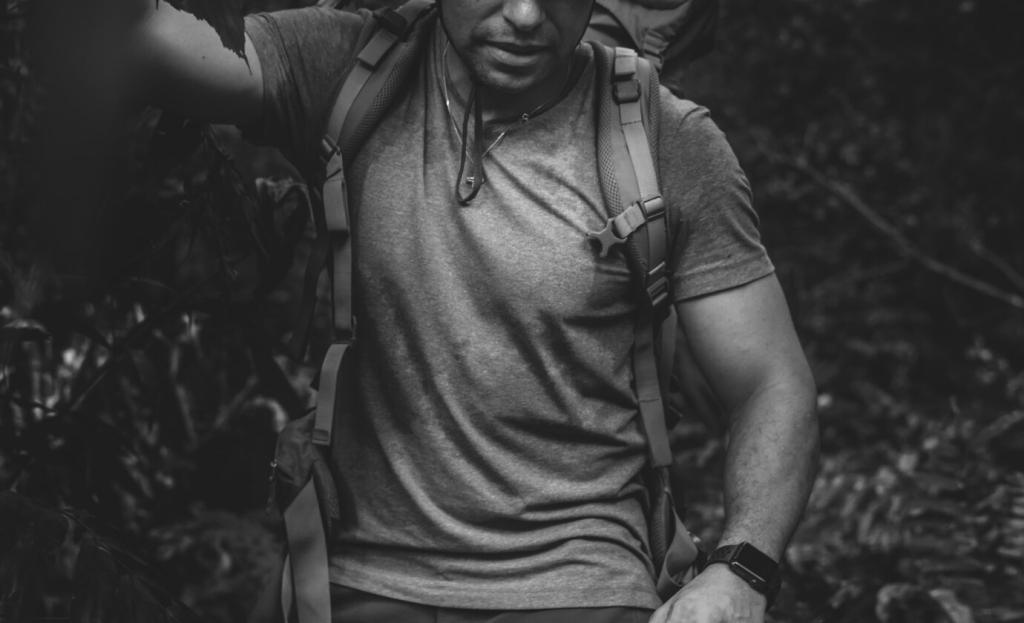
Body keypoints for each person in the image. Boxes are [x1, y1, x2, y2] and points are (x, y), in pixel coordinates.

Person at [110, 0, 819, 621]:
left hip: (580, 585)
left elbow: (771, 383)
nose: (526, 15)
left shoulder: (666, 140)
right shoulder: (347, 69)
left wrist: (740, 570)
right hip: (353, 577)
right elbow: (137, 40)